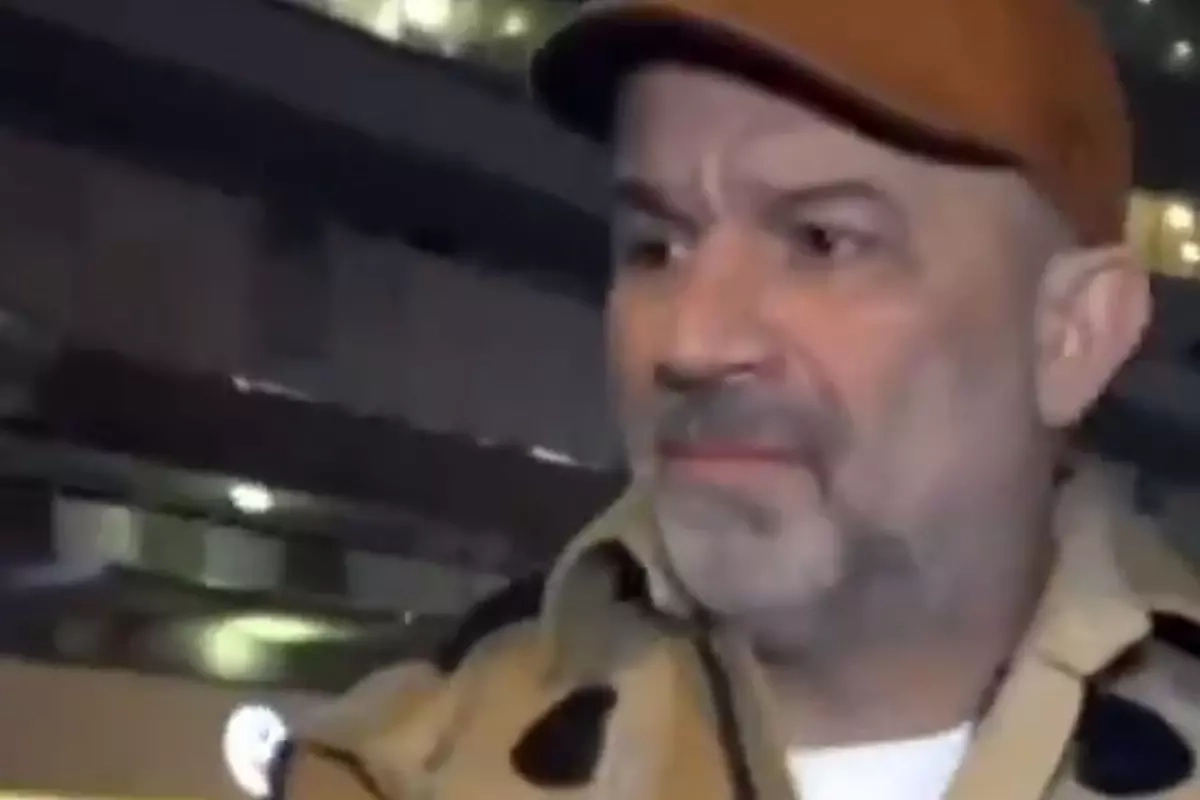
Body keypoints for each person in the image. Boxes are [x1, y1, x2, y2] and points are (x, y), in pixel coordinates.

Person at [270, 0, 1200, 797]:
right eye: (656, 248)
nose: (693, 342)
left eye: (823, 241)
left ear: (1072, 333)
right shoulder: (397, 776)